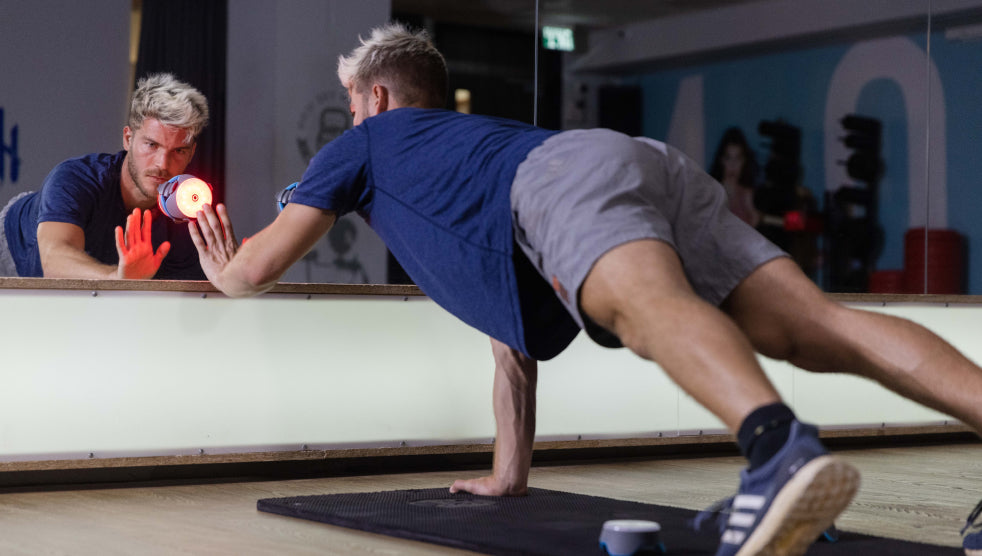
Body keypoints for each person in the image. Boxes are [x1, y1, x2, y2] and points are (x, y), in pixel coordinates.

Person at [188, 23, 982, 556]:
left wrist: (225, 270)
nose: (354, 114)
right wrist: (509, 475)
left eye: (356, 100)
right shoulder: (466, 156)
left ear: (379, 99)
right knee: (816, 324)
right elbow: (509, 342)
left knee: (646, 306)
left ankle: (776, 450)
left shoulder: (366, 143)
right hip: (631, 159)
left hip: (565, 177)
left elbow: (254, 270)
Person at [0, 73, 209, 280]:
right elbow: (54, 261)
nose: (162, 164)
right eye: (152, 145)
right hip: (16, 246)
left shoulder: (188, 212)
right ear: (128, 139)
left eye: (179, 151)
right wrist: (118, 280)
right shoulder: (76, 179)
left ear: (191, 153)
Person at [709, 127, 760, 228]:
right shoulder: (712, 190)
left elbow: (753, 225)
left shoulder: (746, 194)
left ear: (744, 162)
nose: (733, 165)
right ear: (722, 160)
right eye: (728, 158)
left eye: (738, 158)